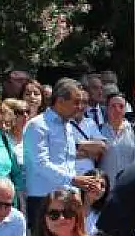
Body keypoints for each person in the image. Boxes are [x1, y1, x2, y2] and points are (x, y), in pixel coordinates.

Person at [23, 78, 98, 225]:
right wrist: (72, 179)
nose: (80, 107)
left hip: (67, 196)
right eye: (76, 102)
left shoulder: (68, 126)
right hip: (43, 199)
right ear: (60, 101)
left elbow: (68, 161)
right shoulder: (38, 125)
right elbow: (40, 163)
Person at [0, 98, 29, 202]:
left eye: (27, 111)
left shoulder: (32, 137)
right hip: (11, 192)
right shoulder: (2, 140)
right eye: (20, 112)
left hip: (31, 190)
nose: (25, 115)